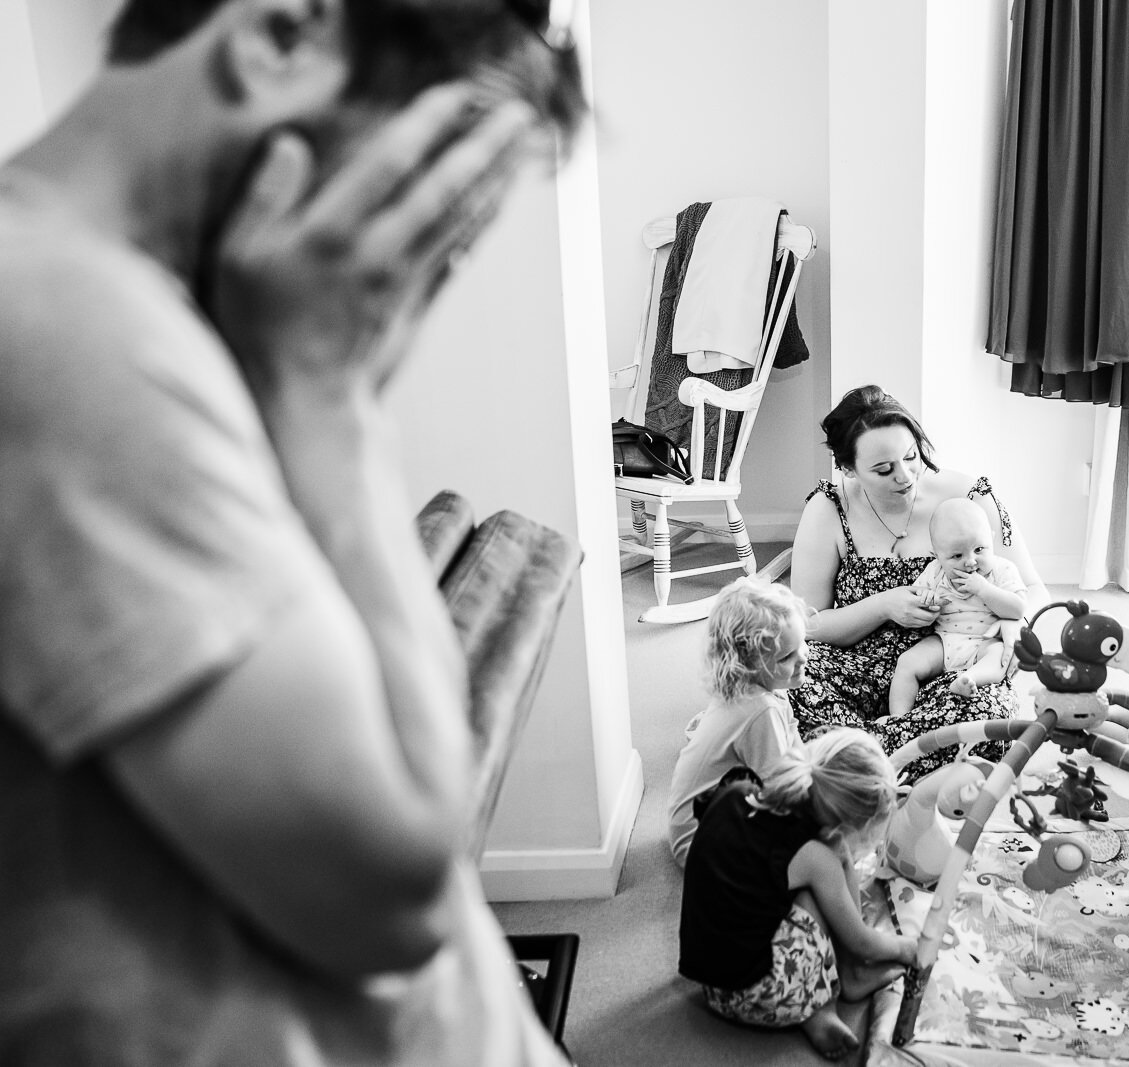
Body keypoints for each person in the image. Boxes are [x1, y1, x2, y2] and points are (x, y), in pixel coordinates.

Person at [0, 2, 583, 1064]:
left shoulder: (155, 320)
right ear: (278, 35)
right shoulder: (65, 327)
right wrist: (334, 399)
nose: (414, 270)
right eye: (419, 192)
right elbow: (392, 886)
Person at [788, 385, 1047, 780]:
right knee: (784, 682)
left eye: (911, 457)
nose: (905, 475)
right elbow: (805, 623)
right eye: (883, 469)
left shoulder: (969, 497)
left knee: (985, 715)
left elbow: (1031, 587)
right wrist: (883, 605)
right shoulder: (827, 508)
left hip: (954, 662)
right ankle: (893, 760)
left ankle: (847, 761)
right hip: (855, 663)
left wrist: (1012, 626)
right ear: (847, 468)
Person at [678, 728, 916, 1060]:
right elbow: (863, 941)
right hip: (753, 993)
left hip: (710, 979)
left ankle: (830, 990)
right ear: (842, 826)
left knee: (808, 876)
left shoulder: (738, 792)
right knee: (815, 896)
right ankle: (820, 1004)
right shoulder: (814, 858)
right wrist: (907, 948)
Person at [666, 577, 809, 867]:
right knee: (816, 857)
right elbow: (783, 791)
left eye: (803, 643)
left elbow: (798, 758)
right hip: (702, 845)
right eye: (787, 656)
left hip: (704, 822)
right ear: (747, 663)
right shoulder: (759, 709)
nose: (804, 657)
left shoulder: (765, 690)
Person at [886, 497, 1027, 720]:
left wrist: (985, 590)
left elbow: (1018, 609)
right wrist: (927, 598)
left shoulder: (1001, 569)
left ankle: (969, 679)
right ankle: (898, 717)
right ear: (937, 555)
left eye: (979, 549)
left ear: (991, 539)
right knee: (907, 662)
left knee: (1001, 656)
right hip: (945, 640)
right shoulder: (935, 572)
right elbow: (915, 598)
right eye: (957, 556)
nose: (971, 562)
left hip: (986, 641)